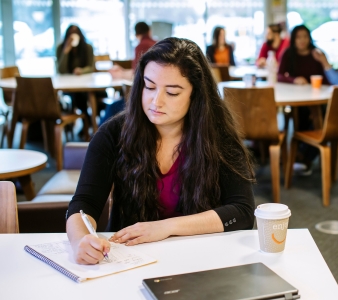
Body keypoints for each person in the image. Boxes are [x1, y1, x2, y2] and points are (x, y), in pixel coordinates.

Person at [66, 38, 255, 265]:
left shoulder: (218, 137)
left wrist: (166, 227)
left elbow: (242, 212)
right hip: (127, 260)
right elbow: (83, 204)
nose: (156, 101)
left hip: (200, 260)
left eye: (172, 92)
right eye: (150, 87)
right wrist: (81, 241)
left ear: (196, 96)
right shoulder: (113, 133)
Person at [277, 25, 330, 173]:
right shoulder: (289, 54)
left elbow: (327, 79)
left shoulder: (317, 54)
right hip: (296, 99)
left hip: (317, 98)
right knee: (302, 114)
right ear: (294, 39)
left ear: (309, 38)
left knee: (317, 116)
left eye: (305, 36)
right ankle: (301, 152)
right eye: (298, 37)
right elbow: (279, 76)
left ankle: (304, 155)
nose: (302, 40)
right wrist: (293, 80)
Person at [103, 22, 157, 124]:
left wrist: (121, 74)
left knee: (112, 108)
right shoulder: (158, 44)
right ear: (149, 31)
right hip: (151, 94)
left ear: (136, 34)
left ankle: (97, 135)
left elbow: (137, 74)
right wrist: (122, 71)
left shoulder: (140, 47)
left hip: (142, 95)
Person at [56, 25, 94, 131]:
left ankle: (85, 123)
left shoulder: (87, 48)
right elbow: (60, 70)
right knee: (77, 96)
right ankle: (87, 121)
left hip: (85, 83)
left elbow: (90, 67)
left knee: (81, 95)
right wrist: (66, 51)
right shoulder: (61, 48)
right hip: (67, 85)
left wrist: (81, 71)